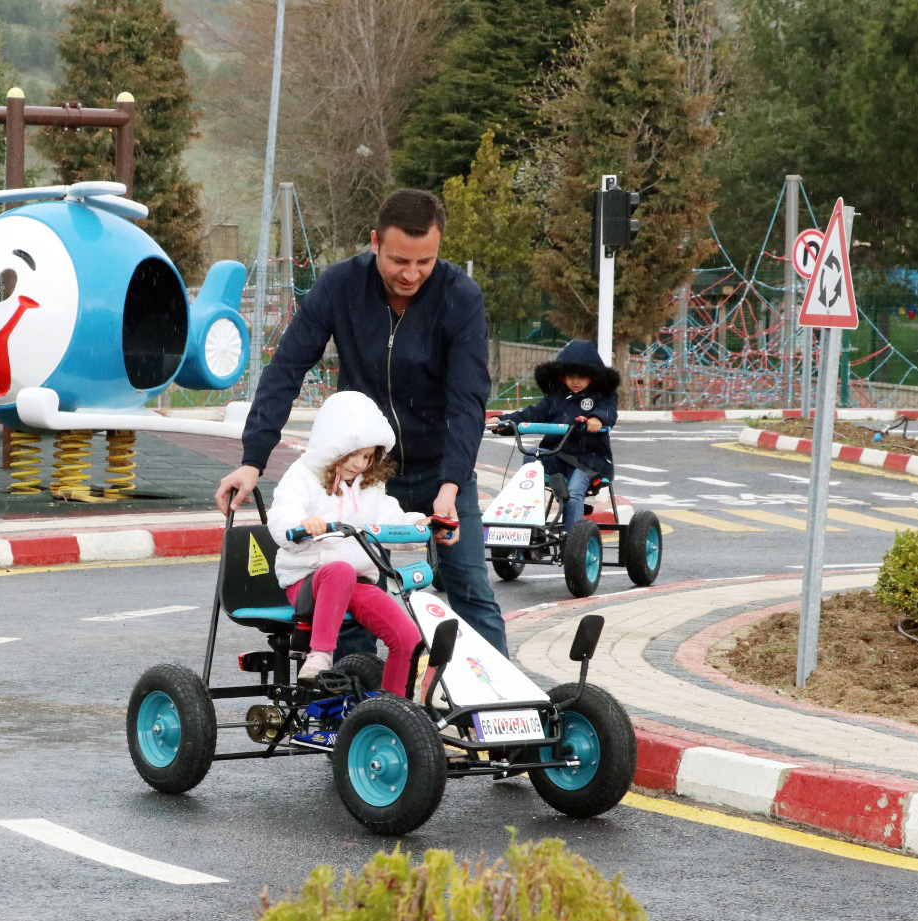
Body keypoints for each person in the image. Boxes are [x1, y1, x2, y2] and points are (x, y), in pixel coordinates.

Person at [214, 188, 508, 657]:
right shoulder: (339, 287)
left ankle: (501, 711)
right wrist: (253, 461)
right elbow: (286, 369)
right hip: (361, 475)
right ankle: (357, 715)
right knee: (351, 602)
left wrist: (451, 486)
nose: (411, 274)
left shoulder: (460, 296)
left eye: (425, 261)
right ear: (375, 242)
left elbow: (468, 399)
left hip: (439, 473)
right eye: (398, 261)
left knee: (471, 592)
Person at [266, 392, 425, 696]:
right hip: (309, 581)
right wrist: (301, 525)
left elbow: (391, 519)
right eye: (352, 453)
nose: (359, 464)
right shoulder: (302, 476)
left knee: (407, 636)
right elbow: (283, 514)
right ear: (333, 445)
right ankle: (320, 656)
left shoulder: (369, 487)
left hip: (356, 584)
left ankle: (392, 711)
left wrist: (418, 525)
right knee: (338, 570)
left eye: (367, 456)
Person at [490, 338, 618, 531]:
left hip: (588, 460)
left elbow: (609, 411)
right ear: (561, 376)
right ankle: (529, 525)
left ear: (594, 376)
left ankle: (572, 540)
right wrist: (504, 422)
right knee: (532, 457)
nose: (575, 381)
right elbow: (531, 413)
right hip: (556, 456)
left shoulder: (602, 396)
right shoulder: (556, 398)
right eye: (570, 376)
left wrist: (597, 419)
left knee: (574, 493)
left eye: (581, 376)